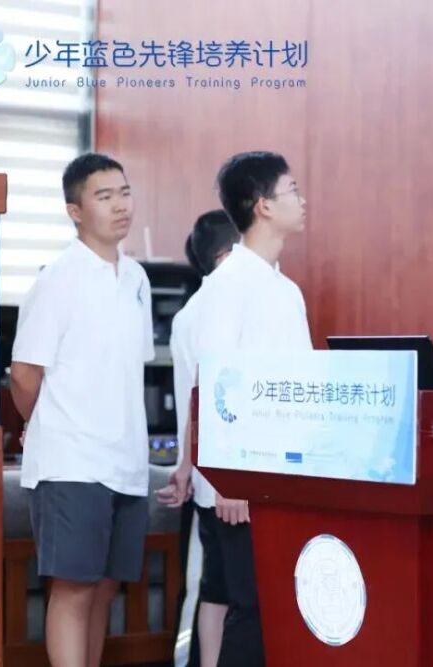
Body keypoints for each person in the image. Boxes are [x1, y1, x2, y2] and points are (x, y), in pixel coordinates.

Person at [163, 151, 311, 667]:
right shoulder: (228, 285)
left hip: (281, 479)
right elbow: (216, 383)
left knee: (270, 611)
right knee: (252, 612)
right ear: (263, 205)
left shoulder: (285, 289)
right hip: (242, 486)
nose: (302, 200)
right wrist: (230, 480)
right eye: (293, 190)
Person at [10, 153, 154, 667]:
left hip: (126, 461)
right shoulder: (58, 278)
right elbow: (24, 374)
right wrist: (42, 424)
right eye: (104, 196)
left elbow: (127, 369)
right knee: (73, 588)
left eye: (125, 192)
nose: (121, 205)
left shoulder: (137, 278)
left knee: (105, 587)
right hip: (71, 461)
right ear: (75, 211)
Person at [159, 210, 240, 666]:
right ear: (230, 253)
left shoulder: (190, 313)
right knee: (219, 590)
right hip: (223, 475)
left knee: (210, 588)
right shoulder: (218, 309)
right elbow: (207, 393)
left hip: (205, 472)